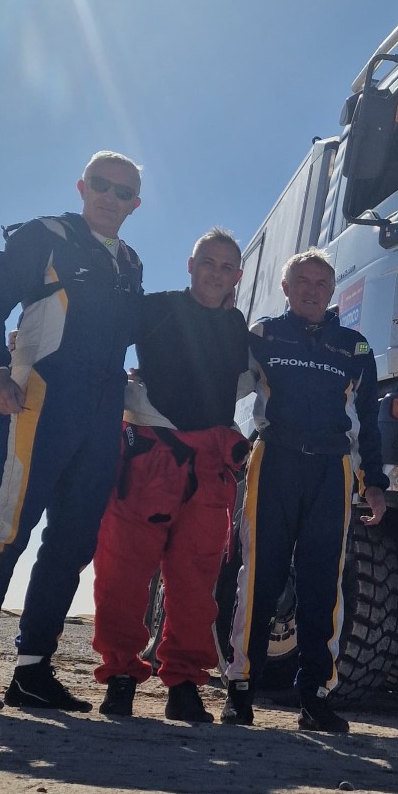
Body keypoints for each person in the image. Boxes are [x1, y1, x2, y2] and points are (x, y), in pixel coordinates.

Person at [0, 151, 143, 712]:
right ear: (82, 186)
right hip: (38, 404)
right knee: (7, 528)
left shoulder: (131, 262)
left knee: (73, 542)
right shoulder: (44, 236)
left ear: (136, 204)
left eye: (123, 191)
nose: (110, 196)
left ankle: (32, 671)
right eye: (101, 185)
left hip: (102, 418)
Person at [91, 228, 254, 725]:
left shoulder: (237, 327)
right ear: (190, 263)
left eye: (227, 267)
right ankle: (120, 676)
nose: (216, 274)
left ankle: (183, 682)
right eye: (208, 262)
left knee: (196, 582)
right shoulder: (154, 307)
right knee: (124, 572)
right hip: (151, 456)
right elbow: (97, 336)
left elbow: (254, 378)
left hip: (210, 466)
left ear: (238, 277)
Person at [223, 248, 387, 735]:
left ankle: (315, 696)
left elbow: (368, 425)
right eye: (303, 281)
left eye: (321, 282)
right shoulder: (264, 335)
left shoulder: (355, 347)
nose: (312, 290)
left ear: (332, 291)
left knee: (324, 584)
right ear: (286, 288)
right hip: (273, 461)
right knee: (261, 579)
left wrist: (374, 484)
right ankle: (240, 690)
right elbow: (221, 386)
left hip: (329, 471)